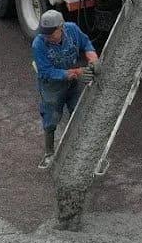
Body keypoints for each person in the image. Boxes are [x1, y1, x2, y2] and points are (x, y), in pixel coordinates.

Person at [32, 9, 98, 169]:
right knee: (51, 119)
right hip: (52, 87)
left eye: (51, 33)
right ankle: (49, 153)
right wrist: (75, 73)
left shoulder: (72, 29)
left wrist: (93, 58)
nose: (47, 36)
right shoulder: (38, 44)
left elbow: (86, 43)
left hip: (72, 84)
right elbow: (46, 72)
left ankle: (79, 149)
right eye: (45, 33)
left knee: (78, 112)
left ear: (61, 27)